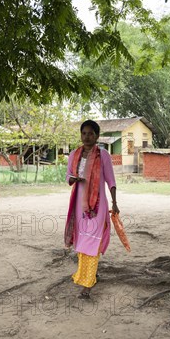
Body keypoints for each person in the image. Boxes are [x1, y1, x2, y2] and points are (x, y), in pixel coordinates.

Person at [64, 120, 119, 299]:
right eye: (84, 133)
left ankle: (87, 285)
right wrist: (74, 179)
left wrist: (115, 202)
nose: (87, 137)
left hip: (98, 205)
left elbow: (110, 180)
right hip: (79, 204)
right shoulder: (74, 154)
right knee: (82, 242)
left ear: (97, 136)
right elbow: (68, 177)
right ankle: (89, 274)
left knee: (92, 242)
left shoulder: (103, 155)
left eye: (90, 133)